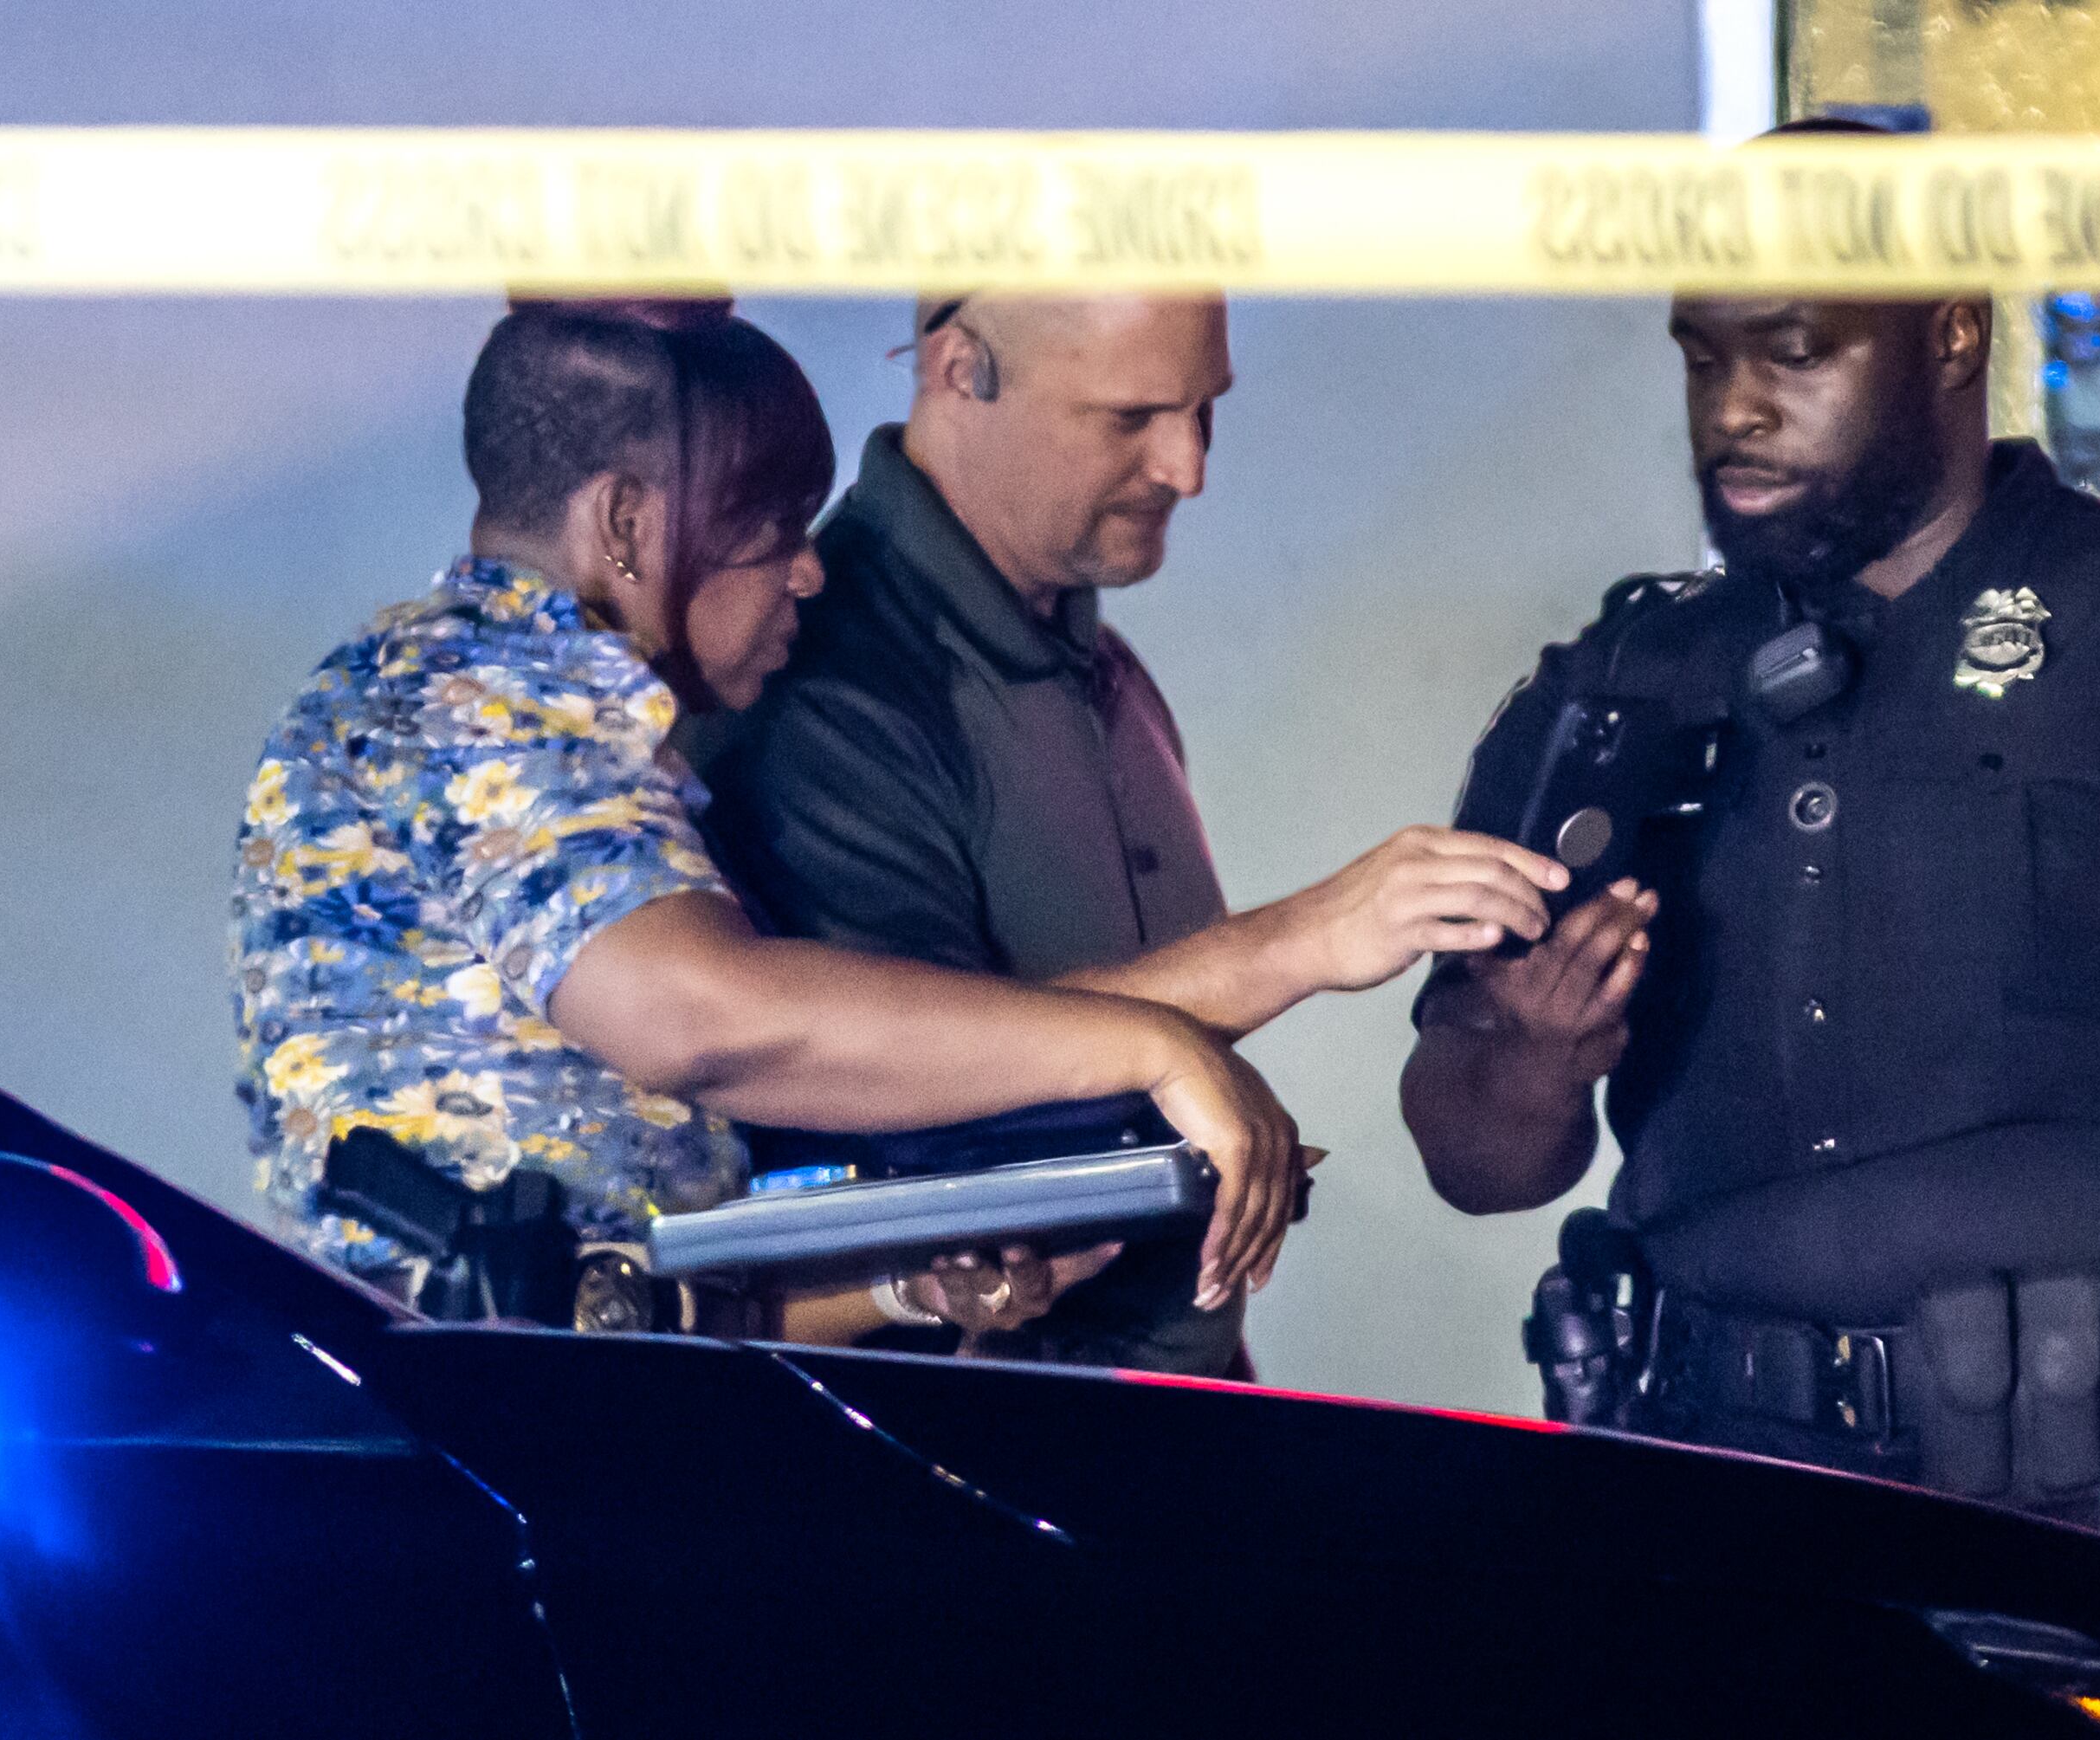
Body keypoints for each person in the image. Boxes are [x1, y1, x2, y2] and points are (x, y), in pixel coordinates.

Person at [1400, 127, 2100, 1591]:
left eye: (1796, 352)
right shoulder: (1628, 675)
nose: (1736, 407)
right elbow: (1475, 1153)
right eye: (1705, 358)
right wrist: (1537, 1052)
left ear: (1951, 332)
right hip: (1708, 1495)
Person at [232, 299, 1300, 1347]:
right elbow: (699, 1017)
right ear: (626, 525)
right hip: (469, 1455)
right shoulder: (464, 697)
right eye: (769, 530)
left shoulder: (581, 738)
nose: (809, 569)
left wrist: (907, 1286)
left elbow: (624, 1288)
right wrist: (1146, 1047)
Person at [689, 292, 1566, 1375]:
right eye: (1130, 417)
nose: (1188, 466)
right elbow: (899, 1120)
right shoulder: (821, 695)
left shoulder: (1103, 670)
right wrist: (1292, 943)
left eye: (1207, 412)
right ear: (960, 367)